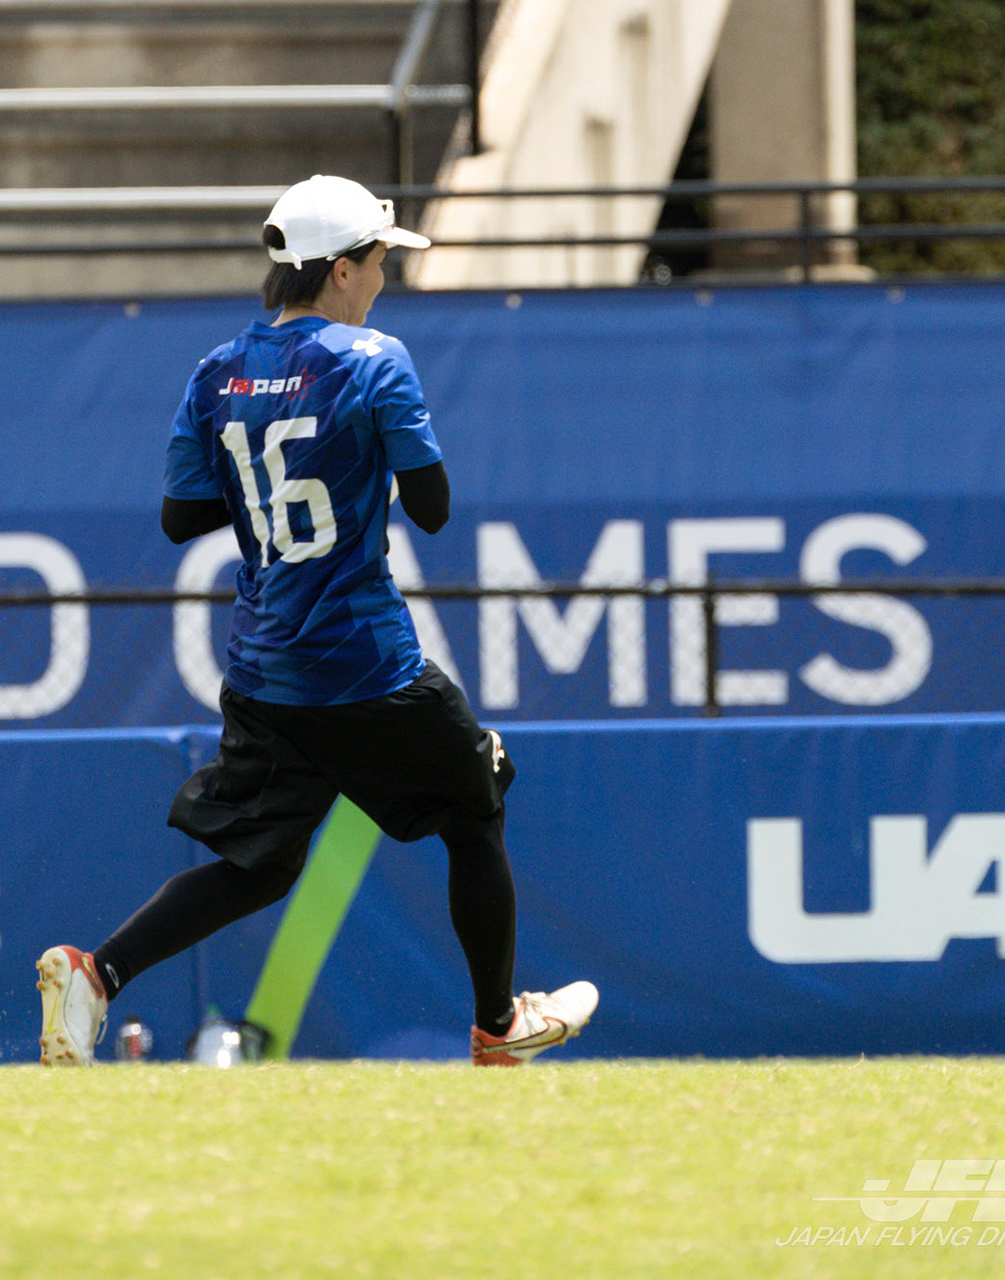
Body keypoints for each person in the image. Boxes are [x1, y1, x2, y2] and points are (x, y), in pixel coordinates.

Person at [37, 174, 597, 1067]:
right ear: (340, 269)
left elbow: (181, 517)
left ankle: (96, 975)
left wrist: (284, 481)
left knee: (260, 867)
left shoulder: (217, 370)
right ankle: (500, 1027)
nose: (382, 279)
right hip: (366, 664)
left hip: (265, 670)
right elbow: (435, 508)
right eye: (377, 262)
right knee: (476, 802)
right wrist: (356, 460)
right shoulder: (374, 359)